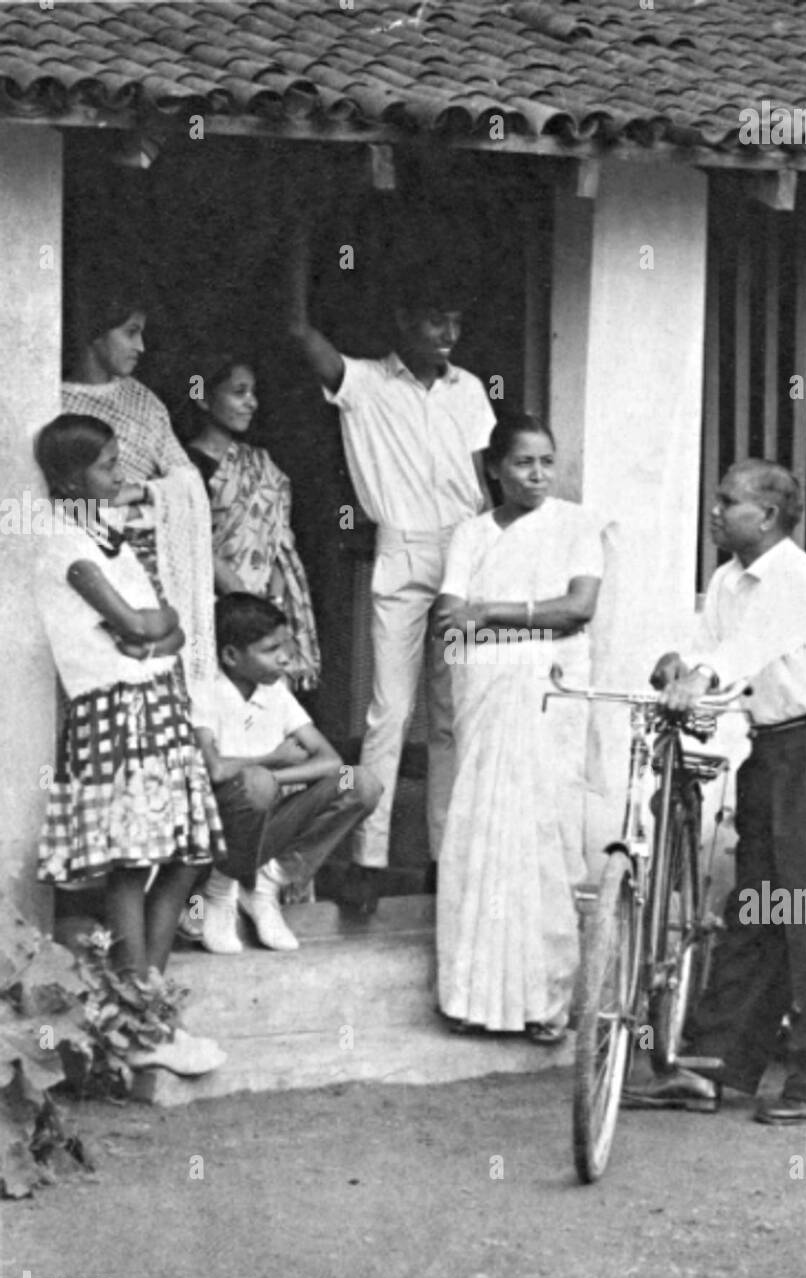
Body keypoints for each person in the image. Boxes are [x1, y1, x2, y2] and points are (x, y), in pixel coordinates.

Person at [629, 459, 806, 1124]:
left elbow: (744, 652)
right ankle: (715, 1072)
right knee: (755, 911)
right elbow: (712, 646)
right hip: (771, 752)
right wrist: (679, 663)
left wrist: (703, 674)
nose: (714, 510)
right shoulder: (726, 578)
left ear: (764, 516)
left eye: (727, 501)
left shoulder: (791, 576)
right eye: (714, 498)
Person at [288, 232, 496, 915]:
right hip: (403, 547)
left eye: (456, 321)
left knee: (450, 718)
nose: (448, 333)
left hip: (466, 550)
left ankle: (444, 855)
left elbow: (478, 482)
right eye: (436, 319)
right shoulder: (367, 383)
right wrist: (295, 237)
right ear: (404, 320)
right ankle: (367, 860)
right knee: (388, 712)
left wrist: (492, 560)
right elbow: (300, 335)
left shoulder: (468, 389)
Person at [33, 414, 225, 1076]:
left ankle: (146, 1011)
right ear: (68, 479)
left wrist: (150, 630)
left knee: (183, 858)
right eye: (107, 467)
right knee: (130, 864)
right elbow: (134, 622)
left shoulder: (113, 541)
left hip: (159, 709)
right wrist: (146, 628)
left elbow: (165, 630)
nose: (121, 477)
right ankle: (144, 1023)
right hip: (113, 714)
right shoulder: (61, 543)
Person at [432, 415, 604, 1041]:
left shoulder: (577, 526)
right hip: (489, 689)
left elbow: (577, 609)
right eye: (524, 462)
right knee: (482, 830)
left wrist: (494, 614)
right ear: (495, 469)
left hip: (549, 693)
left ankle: (544, 1000)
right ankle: (470, 996)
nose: (538, 474)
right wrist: (522, 623)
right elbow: (450, 623)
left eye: (547, 462)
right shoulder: (471, 535)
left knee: (543, 835)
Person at [192, 594, 381, 954]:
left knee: (360, 782)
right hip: (219, 834)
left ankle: (266, 884)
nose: (284, 657)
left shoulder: (275, 692)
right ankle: (219, 891)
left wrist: (275, 777)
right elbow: (215, 768)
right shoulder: (207, 693)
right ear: (232, 656)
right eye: (270, 649)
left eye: (285, 646)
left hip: (268, 825)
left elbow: (331, 760)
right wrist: (275, 759)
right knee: (256, 783)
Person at [62, 283, 216, 713]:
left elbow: (186, 477)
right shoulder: (52, 402)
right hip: (85, 563)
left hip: (150, 566)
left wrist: (142, 491)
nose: (142, 346)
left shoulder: (144, 403)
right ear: (96, 333)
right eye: (130, 332)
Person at [184, 351, 321, 690]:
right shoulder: (186, 467)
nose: (251, 403)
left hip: (265, 607)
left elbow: (277, 544)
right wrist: (242, 602)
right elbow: (193, 542)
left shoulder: (260, 464)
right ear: (202, 397)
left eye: (253, 393)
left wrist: (271, 606)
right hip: (212, 607)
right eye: (239, 392)